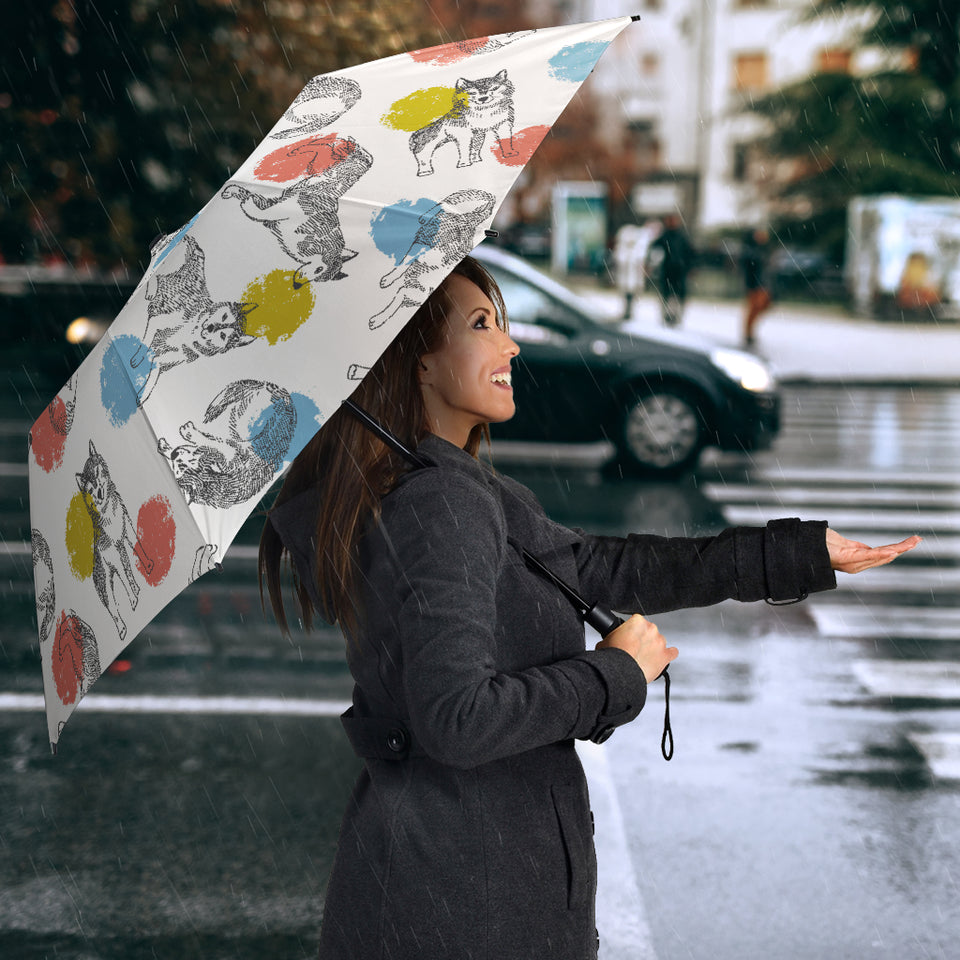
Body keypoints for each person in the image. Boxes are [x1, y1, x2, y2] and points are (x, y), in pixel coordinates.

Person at [259, 256, 919, 960]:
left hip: (452, 883)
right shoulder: (439, 504)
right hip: (466, 903)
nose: (510, 345)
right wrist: (613, 673)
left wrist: (796, 554)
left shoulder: (451, 489)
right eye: (482, 325)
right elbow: (457, 720)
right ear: (417, 363)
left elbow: (603, 567)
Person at [649, 213, 695, 327]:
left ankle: (675, 316)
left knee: (677, 295)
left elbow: (690, 253)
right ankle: (667, 315)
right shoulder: (664, 236)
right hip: (668, 270)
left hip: (679, 271)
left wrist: (690, 267)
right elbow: (654, 249)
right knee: (667, 294)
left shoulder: (681, 237)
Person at [741, 226, 773, 347]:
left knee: (762, 306)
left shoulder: (763, 249)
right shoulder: (751, 250)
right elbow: (750, 265)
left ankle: (750, 331)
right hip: (755, 284)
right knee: (754, 308)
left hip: (763, 283)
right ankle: (748, 333)